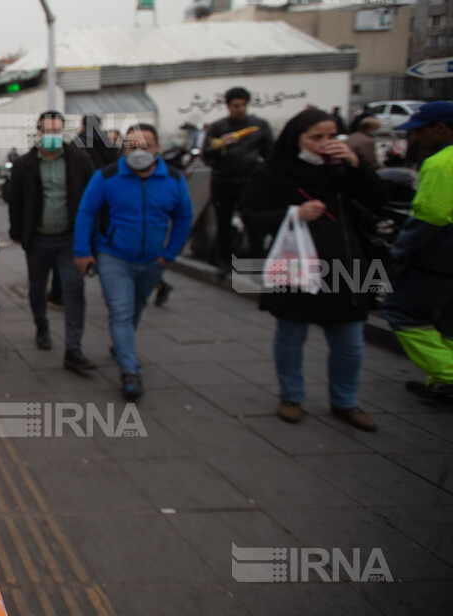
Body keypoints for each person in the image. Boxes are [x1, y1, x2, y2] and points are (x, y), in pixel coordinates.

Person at [240, 108, 387, 431]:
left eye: (332, 136)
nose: (325, 143)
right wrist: (293, 213)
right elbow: (250, 215)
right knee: (292, 334)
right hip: (296, 262)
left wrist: (356, 164)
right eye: (315, 137)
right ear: (297, 139)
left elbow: (378, 199)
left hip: (346, 259)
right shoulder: (273, 172)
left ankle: (345, 400)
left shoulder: (343, 170)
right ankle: (291, 395)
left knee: (350, 339)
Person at [73, 125, 193, 400]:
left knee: (137, 307)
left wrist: (169, 253)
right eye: (132, 146)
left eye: (145, 146)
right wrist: (82, 251)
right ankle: (129, 369)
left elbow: (184, 217)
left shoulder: (173, 179)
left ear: (157, 148)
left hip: (153, 260)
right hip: (113, 256)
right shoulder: (107, 177)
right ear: (123, 149)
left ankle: (121, 343)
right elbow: (87, 212)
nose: (138, 152)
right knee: (121, 312)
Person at [8, 111, 96, 370]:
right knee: (37, 286)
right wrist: (17, 231)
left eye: (56, 131)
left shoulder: (79, 160)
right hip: (38, 238)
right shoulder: (25, 164)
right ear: (39, 133)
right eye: (47, 131)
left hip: (70, 238)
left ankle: (74, 347)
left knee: (74, 289)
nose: (52, 136)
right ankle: (42, 327)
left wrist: (90, 237)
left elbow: (92, 198)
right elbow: (16, 200)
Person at [380, 102, 453, 403]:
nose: (417, 138)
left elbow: (429, 216)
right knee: (448, 319)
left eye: (421, 131)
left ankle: (448, 373)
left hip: (439, 255)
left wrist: (400, 250)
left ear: (441, 128)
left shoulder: (441, 163)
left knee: (400, 310)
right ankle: (442, 381)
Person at [203, 87, 274, 272]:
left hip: (249, 182)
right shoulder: (218, 127)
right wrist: (220, 145)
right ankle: (224, 262)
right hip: (223, 182)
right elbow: (207, 155)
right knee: (223, 223)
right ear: (228, 106)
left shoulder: (259, 126)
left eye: (243, 105)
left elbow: (269, 154)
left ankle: (258, 262)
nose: (240, 109)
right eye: (236, 106)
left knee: (254, 222)